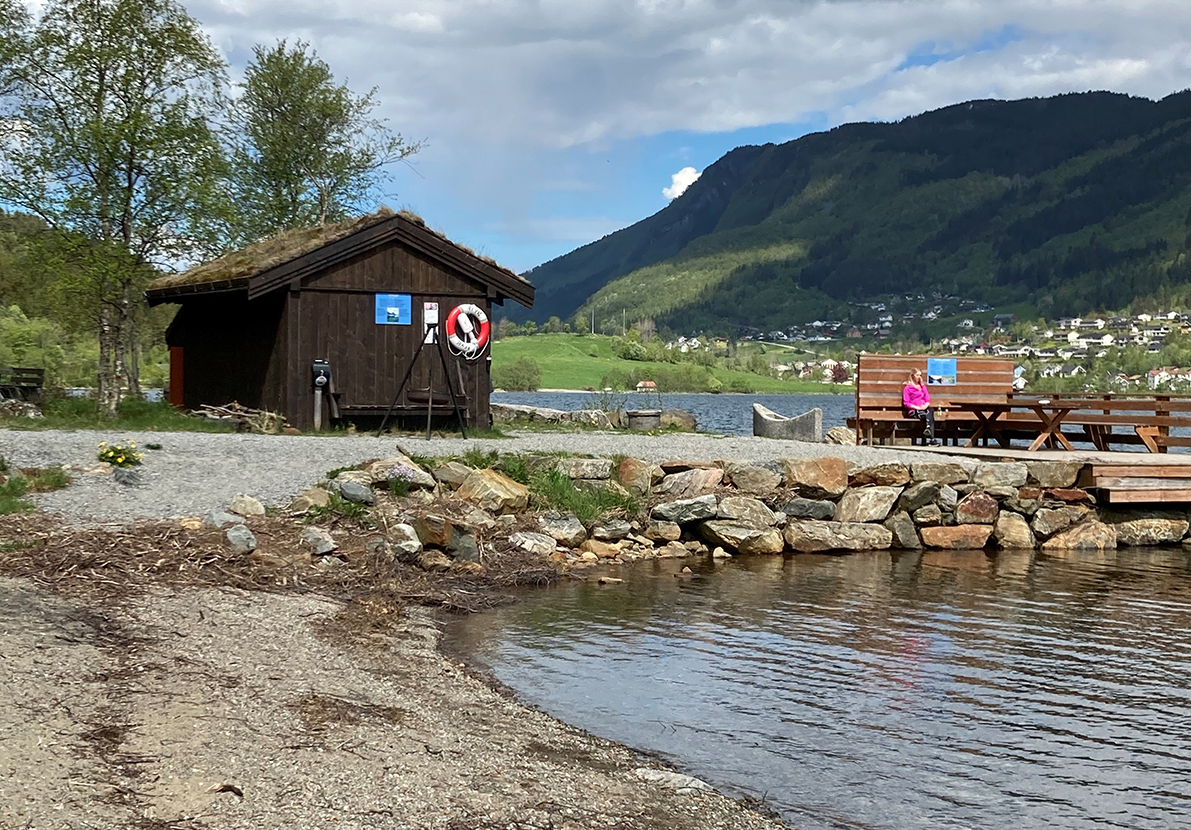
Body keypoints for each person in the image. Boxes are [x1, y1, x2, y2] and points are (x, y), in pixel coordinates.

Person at [903, 368, 939, 445]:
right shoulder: (908, 388)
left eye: (920, 375)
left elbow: (927, 399)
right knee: (929, 416)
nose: (919, 377)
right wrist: (918, 407)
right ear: (912, 376)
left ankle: (928, 429)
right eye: (917, 375)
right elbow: (906, 403)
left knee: (930, 410)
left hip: (924, 408)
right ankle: (932, 438)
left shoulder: (923, 387)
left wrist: (925, 406)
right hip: (914, 409)